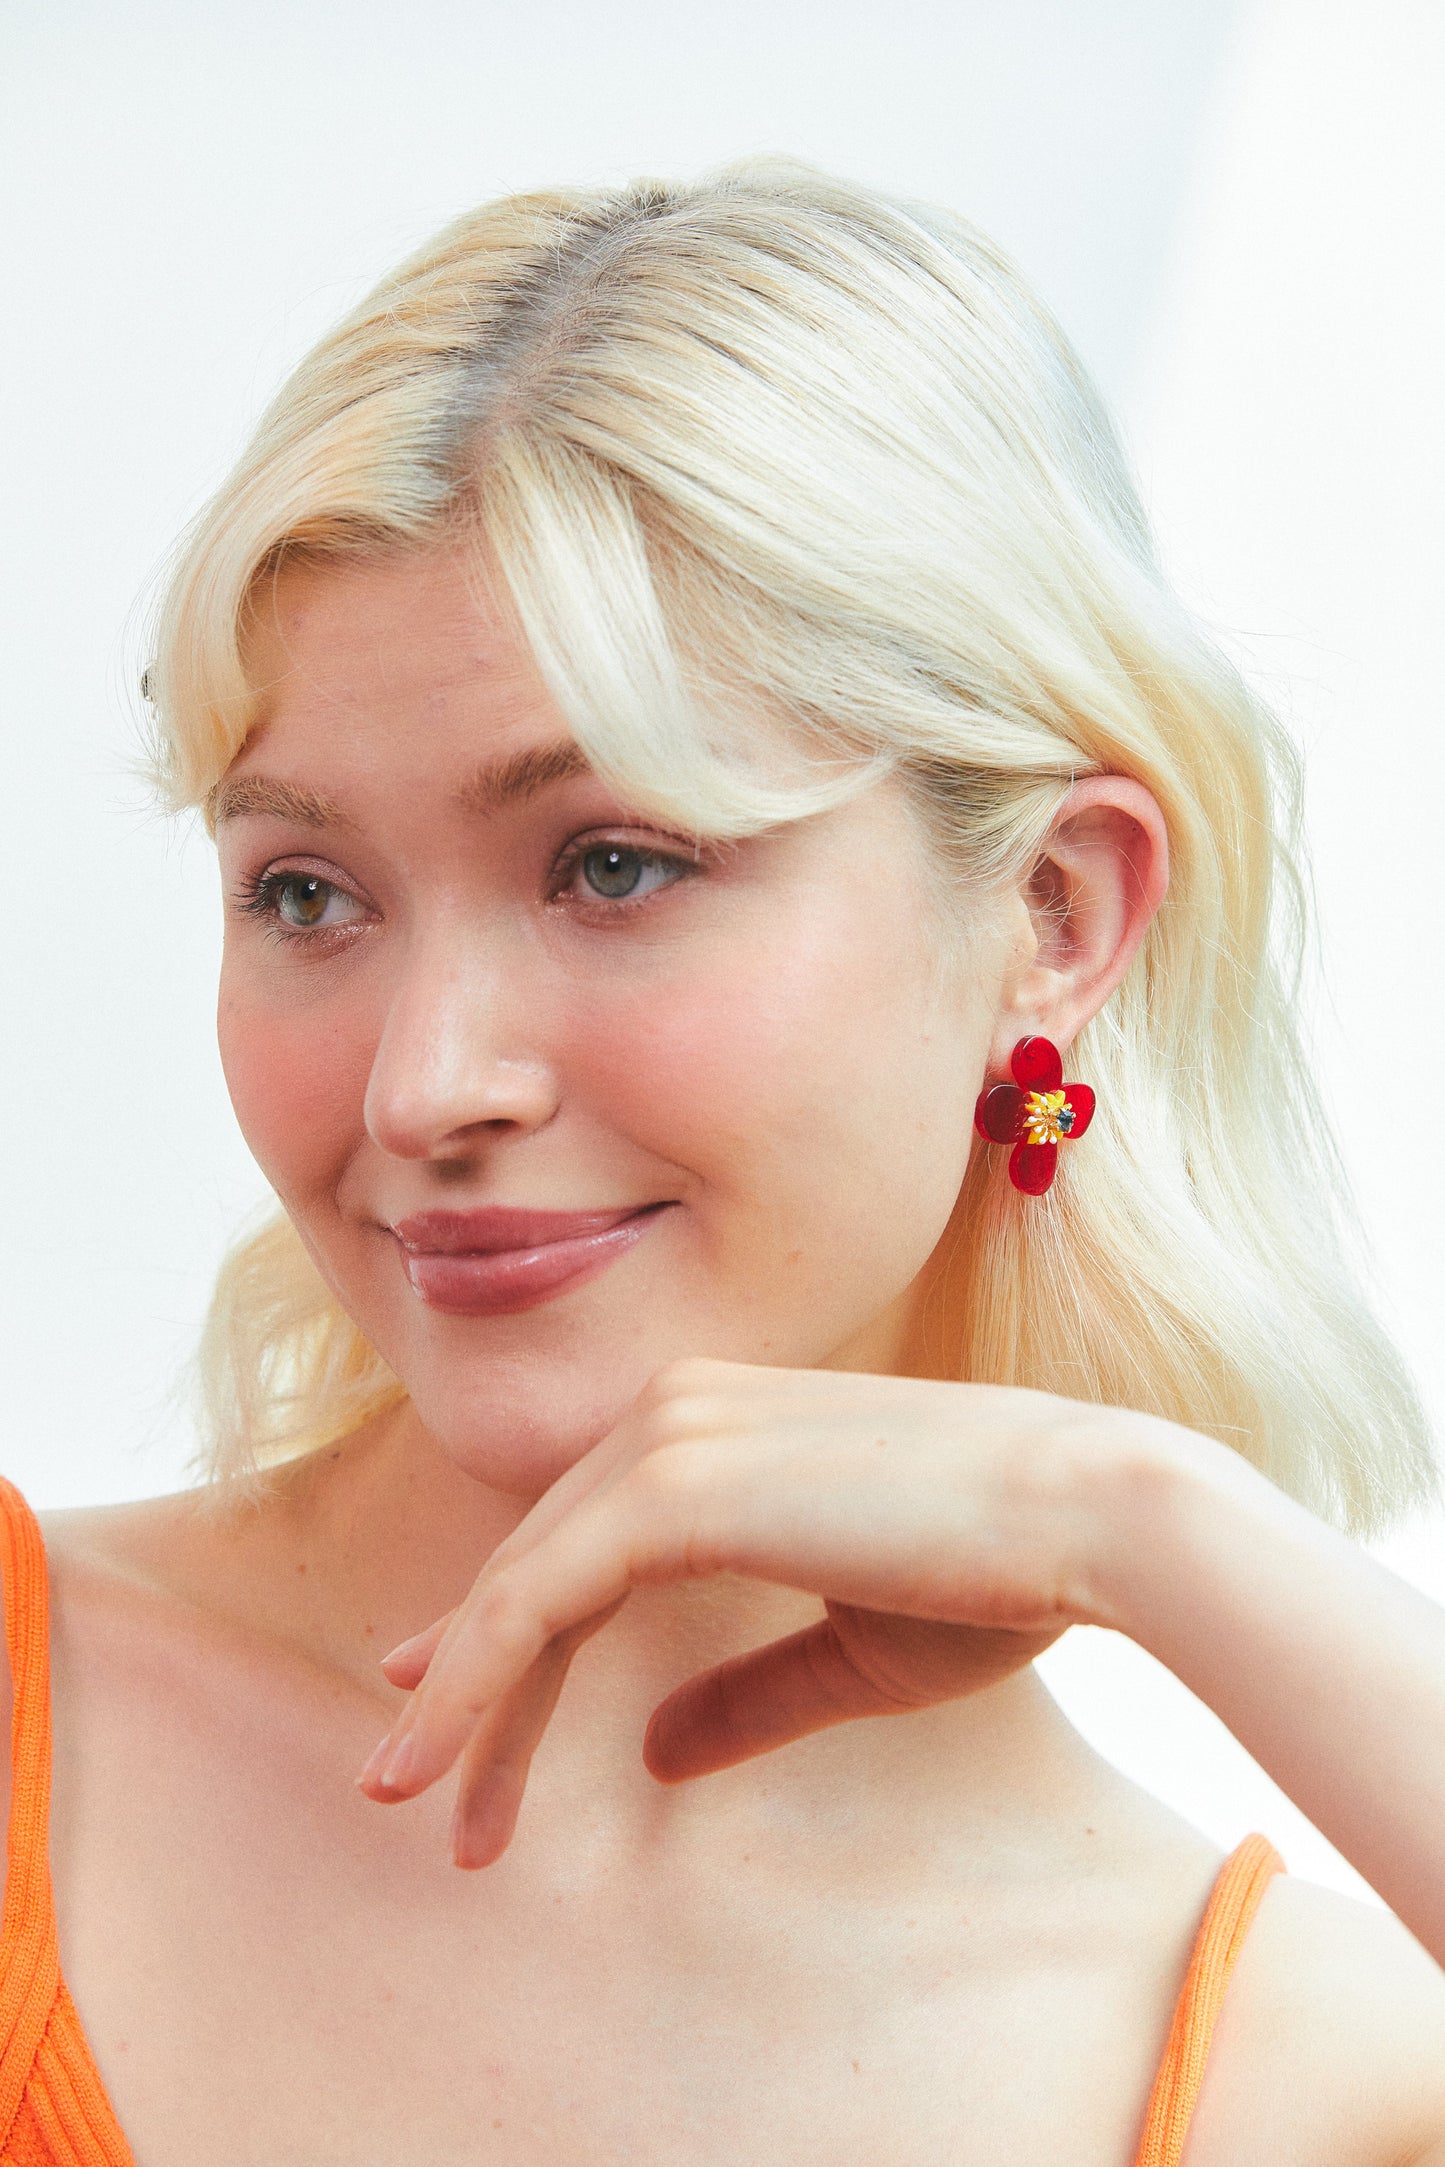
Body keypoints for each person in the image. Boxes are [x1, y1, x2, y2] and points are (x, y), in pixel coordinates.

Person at [2, 159, 1443, 2167]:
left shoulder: (1309, 2086)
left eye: (613, 863)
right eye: (310, 892)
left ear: (1054, 909)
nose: (426, 1086)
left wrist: (1148, 1524)